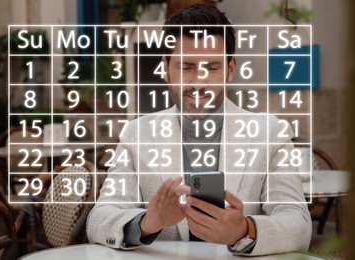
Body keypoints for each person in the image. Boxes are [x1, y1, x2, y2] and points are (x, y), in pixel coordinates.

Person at [87, 4, 312, 256]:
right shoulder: (136, 134)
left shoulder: (271, 133)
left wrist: (244, 230)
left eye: (212, 68)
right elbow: (99, 219)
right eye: (186, 67)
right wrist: (148, 222)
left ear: (230, 69)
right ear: (166, 69)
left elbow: (299, 225)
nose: (198, 83)